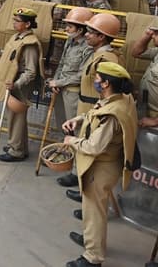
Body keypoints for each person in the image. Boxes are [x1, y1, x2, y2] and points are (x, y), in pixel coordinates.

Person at [62, 61, 138, 267]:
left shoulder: (112, 115)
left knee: (94, 212)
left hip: (101, 167)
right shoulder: (122, 99)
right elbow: (95, 112)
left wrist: (71, 141)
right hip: (111, 163)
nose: (94, 81)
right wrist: (78, 119)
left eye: (97, 79)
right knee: (95, 210)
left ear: (105, 84)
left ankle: (93, 257)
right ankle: (91, 241)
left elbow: (94, 147)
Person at [47, 7, 94, 187]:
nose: (66, 29)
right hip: (61, 89)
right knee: (63, 128)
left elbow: (82, 75)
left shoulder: (87, 48)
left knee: (74, 131)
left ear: (81, 30)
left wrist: (60, 83)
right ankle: (63, 159)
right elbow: (63, 63)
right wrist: (56, 81)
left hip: (74, 93)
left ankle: (75, 171)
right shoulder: (70, 41)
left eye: (70, 27)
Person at [0, 7, 42, 162]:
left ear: (27, 24)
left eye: (18, 21)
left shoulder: (30, 44)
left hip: (19, 87)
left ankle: (16, 150)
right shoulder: (17, 37)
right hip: (12, 83)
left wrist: (16, 84)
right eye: (14, 19)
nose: (14, 23)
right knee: (16, 117)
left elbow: (31, 72)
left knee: (16, 118)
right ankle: (19, 147)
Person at [130, 18, 158, 129]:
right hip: (144, 109)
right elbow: (136, 52)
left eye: (156, 33)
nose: (153, 36)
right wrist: (147, 35)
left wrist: (156, 121)